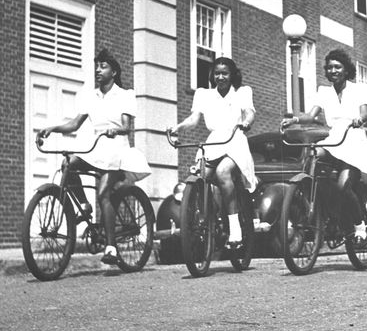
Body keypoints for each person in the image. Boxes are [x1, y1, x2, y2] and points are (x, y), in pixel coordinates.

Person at [38, 48, 151, 265]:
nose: (98, 70)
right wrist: (51, 128)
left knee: (103, 194)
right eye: (97, 66)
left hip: (116, 148)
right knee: (67, 163)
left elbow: (127, 127)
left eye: (103, 66)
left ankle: (111, 248)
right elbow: (74, 124)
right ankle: (84, 205)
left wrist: (114, 130)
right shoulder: (90, 96)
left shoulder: (125, 95)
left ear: (114, 72)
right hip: (95, 147)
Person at [282, 49, 367, 242]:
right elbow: (310, 116)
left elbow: (364, 113)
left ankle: (359, 226)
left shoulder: (358, 89)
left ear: (346, 70)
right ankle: (311, 196)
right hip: (334, 140)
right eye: (330, 67)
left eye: (338, 67)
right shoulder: (324, 91)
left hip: (354, 143)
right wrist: (293, 119)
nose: (333, 70)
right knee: (313, 153)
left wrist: (359, 120)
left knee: (344, 186)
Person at [169, 57, 257, 246]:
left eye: (225, 73)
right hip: (214, 142)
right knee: (199, 175)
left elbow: (249, 112)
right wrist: (178, 128)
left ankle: (235, 229)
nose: (220, 77)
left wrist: (246, 123)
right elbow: (194, 120)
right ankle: (209, 216)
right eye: (217, 73)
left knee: (222, 172)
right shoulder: (203, 95)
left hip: (235, 140)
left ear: (232, 75)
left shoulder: (242, 92)